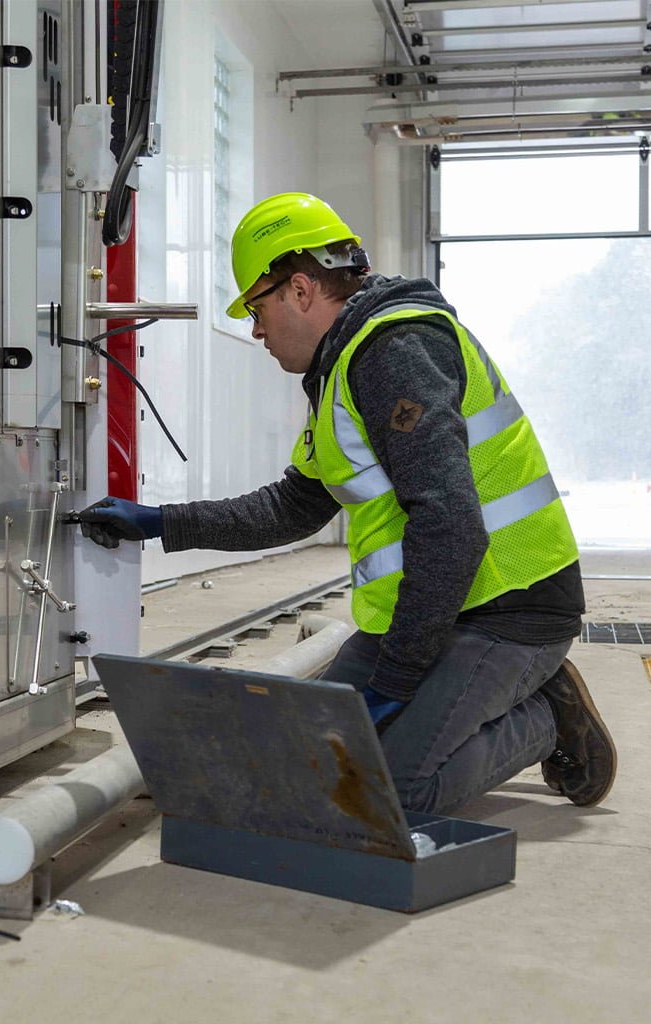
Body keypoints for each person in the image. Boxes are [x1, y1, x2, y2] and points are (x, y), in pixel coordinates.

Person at [77, 192, 616, 815]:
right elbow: (295, 507)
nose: (255, 329)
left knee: (397, 789)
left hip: (509, 610)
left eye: (257, 307)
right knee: (318, 761)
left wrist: (397, 679)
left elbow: (449, 526)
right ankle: (467, 700)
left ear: (300, 291)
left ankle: (546, 714)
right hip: (433, 607)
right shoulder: (342, 367)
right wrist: (163, 523)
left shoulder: (394, 353)